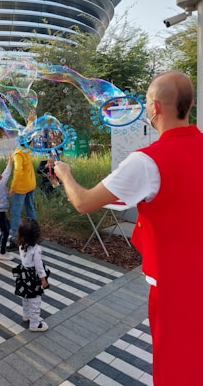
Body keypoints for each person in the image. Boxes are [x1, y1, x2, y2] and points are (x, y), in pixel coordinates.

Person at [54, 70, 203, 385]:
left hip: (175, 291)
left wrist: (65, 173)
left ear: (156, 108)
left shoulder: (147, 162)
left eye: (148, 100)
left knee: (178, 370)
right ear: (188, 106)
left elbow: (83, 202)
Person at [13, 217, 49, 332]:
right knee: (35, 299)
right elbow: (39, 267)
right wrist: (43, 280)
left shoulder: (21, 245)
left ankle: (26, 315)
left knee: (26, 296)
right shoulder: (36, 249)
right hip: (33, 277)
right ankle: (34, 323)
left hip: (23, 274)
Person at [7, 138, 37, 251]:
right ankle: (34, 234)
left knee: (15, 212)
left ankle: (15, 239)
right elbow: (30, 132)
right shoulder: (29, 147)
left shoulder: (19, 153)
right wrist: (31, 120)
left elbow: (18, 171)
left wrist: (13, 188)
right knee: (30, 208)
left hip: (21, 187)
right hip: (31, 183)